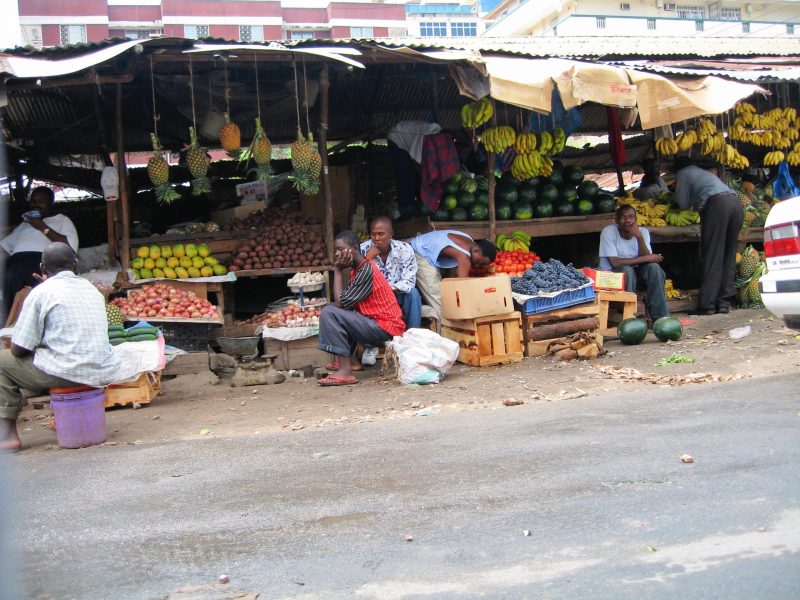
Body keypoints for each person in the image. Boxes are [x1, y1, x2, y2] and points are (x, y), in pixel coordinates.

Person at [0, 243, 122, 452]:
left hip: (66, 371)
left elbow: (19, 349)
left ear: (42, 268)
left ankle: (7, 436)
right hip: (100, 369)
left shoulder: (41, 292)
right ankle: (60, 418)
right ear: (75, 264)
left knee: (3, 362)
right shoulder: (90, 289)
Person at [317, 230, 406, 386]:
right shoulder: (358, 269)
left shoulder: (366, 270)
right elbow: (346, 304)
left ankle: (345, 372)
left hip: (386, 328)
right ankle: (352, 362)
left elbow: (340, 302)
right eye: (335, 250)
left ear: (355, 249)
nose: (337, 254)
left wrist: (337, 271)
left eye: (341, 249)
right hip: (379, 325)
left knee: (330, 312)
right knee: (337, 311)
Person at [673, 156, 743, 315]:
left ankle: (707, 305)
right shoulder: (703, 173)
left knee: (713, 254)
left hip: (718, 206)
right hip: (735, 204)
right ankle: (724, 302)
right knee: (728, 254)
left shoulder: (683, 173)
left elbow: (683, 203)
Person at [1, 187, 79, 321]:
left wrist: (41, 226)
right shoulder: (25, 225)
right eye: (34, 200)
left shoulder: (62, 220)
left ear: (51, 203)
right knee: (9, 277)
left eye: (41, 200)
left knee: (17, 278)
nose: (36, 204)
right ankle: (11, 325)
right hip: (16, 262)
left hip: (42, 261)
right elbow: (4, 248)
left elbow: (69, 247)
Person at [359, 216, 422, 366]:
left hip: (397, 293)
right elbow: (359, 281)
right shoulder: (363, 249)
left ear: (391, 234)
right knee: (362, 299)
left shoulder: (404, 249)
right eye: (373, 234)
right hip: (374, 299)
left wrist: (389, 289)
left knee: (413, 294)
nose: (376, 238)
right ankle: (371, 346)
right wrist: (367, 259)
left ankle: (411, 343)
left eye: (381, 234)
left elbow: (409, 281)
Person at [599, 205, 670, 321]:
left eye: (631, 217)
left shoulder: (643, 232)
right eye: (623, 217)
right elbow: (615, 263)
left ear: (636, 219)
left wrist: (639, 238)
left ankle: (661, 318)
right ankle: (629, 316)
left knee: (654, 268)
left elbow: (648, 259)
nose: (627, 220)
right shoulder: (609, 232)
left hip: (636, 277)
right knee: (627, 270)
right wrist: (646, 258)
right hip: (611, 278)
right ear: (616, 220)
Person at [409, 230, 497, 317]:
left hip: (424, 246)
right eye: (479, 262)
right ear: (476, 251)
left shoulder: (469, 240)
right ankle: (444, 328)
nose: (477, 266)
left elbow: (453, 279)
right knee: (442, 304)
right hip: (420, 251)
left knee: (447, 297)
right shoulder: (465, 257)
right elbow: (462, 288)